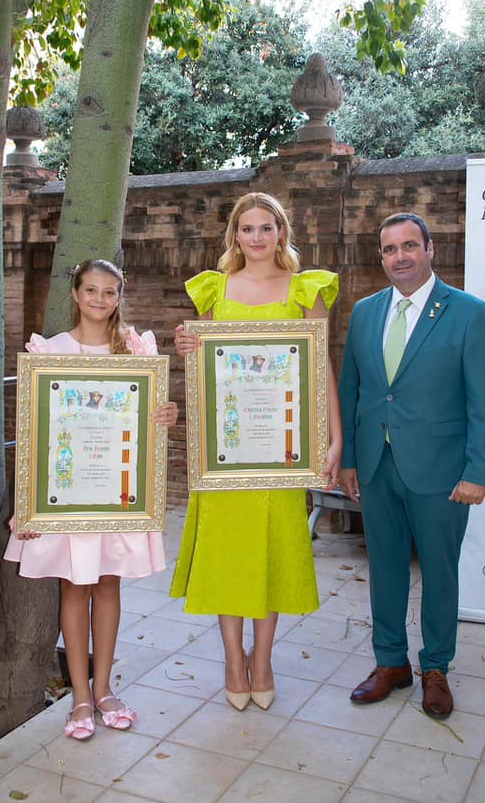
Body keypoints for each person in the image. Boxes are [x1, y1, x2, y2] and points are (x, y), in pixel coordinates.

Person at [170, 192, 341, 711]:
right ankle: (232, 660)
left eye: (267, 227)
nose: (258, 237)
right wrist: (186, 348)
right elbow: (204, 373)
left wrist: (335, 438)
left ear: (281, 232)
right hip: (227, 449)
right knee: (228, 556)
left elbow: (320, 367)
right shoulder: (212, 289)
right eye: (248, 228)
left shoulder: (306, 289)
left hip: (282, 450)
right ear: (235, 236)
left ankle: (262, 659)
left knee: (271, 553)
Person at [4, 259, 178, 740]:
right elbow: (35, 433)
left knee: (107, 585)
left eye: (109, 292)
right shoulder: (51, 351)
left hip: (114, 489)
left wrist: (166, 413)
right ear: (76, 295)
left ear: (119, 297)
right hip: (70, 490)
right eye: (91, 290)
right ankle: (79, 696)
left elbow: (147, 422)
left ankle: (104, 690)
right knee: (74, 588)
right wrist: (27, 504)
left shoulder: (136, 350)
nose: (100, 299)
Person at [338, 212, 485, 720]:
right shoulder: (365, 312)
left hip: (442, 470)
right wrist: (348, 460)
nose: (400, 257)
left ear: (431, 249)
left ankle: (435, 668)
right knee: (384, 569)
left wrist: (478, 471)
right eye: (390, 249)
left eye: (410, 245)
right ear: (381, 257)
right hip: (376, 464)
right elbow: (352, 390)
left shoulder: (469, 313)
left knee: (439, 571)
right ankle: (391, 663)